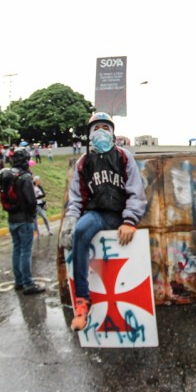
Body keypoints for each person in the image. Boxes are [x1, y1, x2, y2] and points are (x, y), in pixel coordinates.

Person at [59, 112, 147, 331]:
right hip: (97, 214)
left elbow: (136, 192)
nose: (101, 132)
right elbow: (76, 197)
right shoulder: (84, 161)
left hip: (120, 213)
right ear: (89, 134)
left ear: (113, 132)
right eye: (96, 128)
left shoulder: (124, 156)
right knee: (80, 231)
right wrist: (70, 221)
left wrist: (129, 220)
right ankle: (82, 301)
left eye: (105, 128)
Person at [7, 147, 45, 295]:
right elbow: (31, 201)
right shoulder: (25, 177)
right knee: (26, 252)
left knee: (16, 249)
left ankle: (19, 281)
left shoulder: (9, 175)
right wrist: (33, 214)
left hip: (12, 219)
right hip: (25, 220)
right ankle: (28, 284)